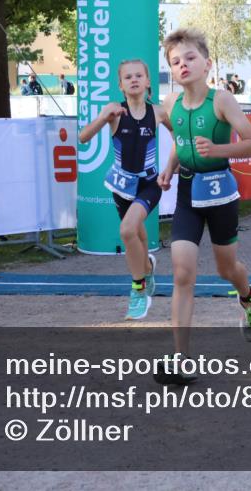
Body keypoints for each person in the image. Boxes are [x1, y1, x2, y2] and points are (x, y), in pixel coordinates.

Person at [157, 28, 251, 383]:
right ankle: (181, 359)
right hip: (188, 193)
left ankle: (247, 298)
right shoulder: (171, 104)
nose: (183, 65)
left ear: (207, 64)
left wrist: (216, 150)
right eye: (176, 61)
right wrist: (169, 169)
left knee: (226, 270)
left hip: (219, 192)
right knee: (182, 273)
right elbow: (180, 142)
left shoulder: (222, 101)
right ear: (171, 70)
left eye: (190, 58)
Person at [79, 59, 167, 321]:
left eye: (139, 75)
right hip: (121, 186)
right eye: (128, 77)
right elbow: (83, 137)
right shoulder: (114, 110)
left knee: (127, 230)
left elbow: (180, 139)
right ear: (120, 84)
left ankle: (138, 291)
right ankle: (148, 265)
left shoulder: (159, 113)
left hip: (149, 184)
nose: (134, 80)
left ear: (148, 81)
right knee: (137, 235)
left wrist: (174, 167)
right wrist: (103, 119)